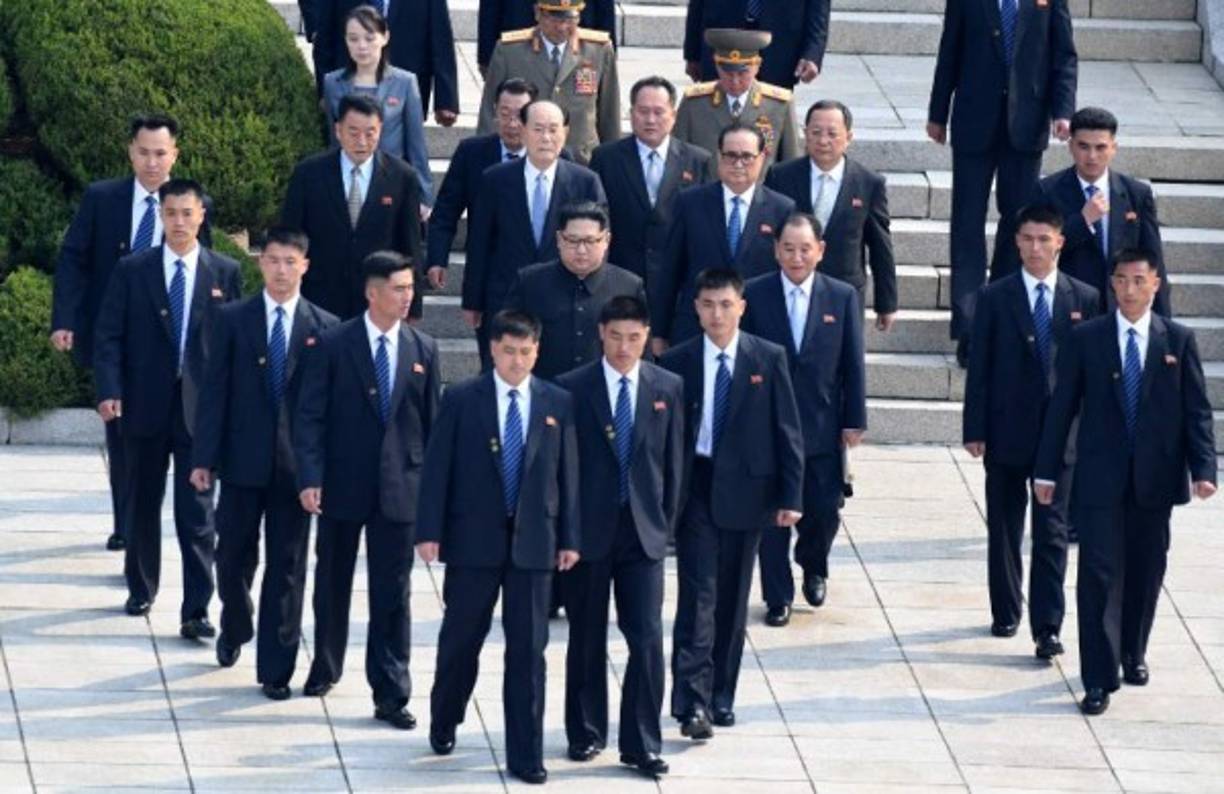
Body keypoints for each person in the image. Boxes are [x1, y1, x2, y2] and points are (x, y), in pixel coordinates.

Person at [1034, 249, 1216, 715]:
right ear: (1111, 284)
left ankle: (1132, 650)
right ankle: (1097, 677)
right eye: (1122, 280)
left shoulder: (1177, 340)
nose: (1130, 290)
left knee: (1145, 570)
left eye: (1139, 280)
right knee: (1096, 577)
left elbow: (1196, 411)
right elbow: (1062, 410)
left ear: (1156, 283)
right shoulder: (1087, 339)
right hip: (1099, 480)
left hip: (1155, 482)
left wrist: (1204, 470)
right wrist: (1047, 470)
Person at [417, 310, 580, 786]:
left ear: (537, 351)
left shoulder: (557, 402)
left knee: (529, 652)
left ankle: (525, 751)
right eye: (508, 351)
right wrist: (429, 530)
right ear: (491, 350)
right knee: (460, 640)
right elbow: (437, 469)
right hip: (473, 542)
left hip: (535, 545)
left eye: (525, 352)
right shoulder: (463, 399)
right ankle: (444, 718)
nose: (516, 361)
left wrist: (570, 537)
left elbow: (568, 476)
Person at [189, 227, 340, 700]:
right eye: (272, 260)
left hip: (296, 470)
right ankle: (236, 621)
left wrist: (320, 472)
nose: (280, 270)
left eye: (289, 262)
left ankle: (276, 668)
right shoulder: (233, 319)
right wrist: (204, 458)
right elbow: (214, 393)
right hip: (240, 461)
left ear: (305, 267)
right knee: (232, 556)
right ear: (260, 263)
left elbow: (329, 410)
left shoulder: (325, 327)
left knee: (288, 567)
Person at [51, 114, 212, 552]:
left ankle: (166, 519)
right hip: (116, 339)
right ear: (130, 152)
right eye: (144, 152)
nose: (152, 162)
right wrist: (65, 318)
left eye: (161, 153)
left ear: (175, 154)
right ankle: (127, 521)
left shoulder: (193, 204)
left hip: (171, 344)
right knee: (120, 435)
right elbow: (73, 260)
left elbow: (207, 274)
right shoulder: (102, 199)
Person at [293, 252, 440, 726]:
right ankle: (326, 664)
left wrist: (434, 498)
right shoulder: (333, 344)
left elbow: (432, 427)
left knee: (393, 593)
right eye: (397, 289)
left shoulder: (423, 349)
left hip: (401, 488)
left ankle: (392, 690)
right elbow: (310, 416)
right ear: (372, 293)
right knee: (332, 580)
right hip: (342, 482)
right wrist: (310, 477)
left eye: (410, 289)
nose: (406, 297)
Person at [92, 179, 242, 635]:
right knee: (142, 502)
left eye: (187, 213)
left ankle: (196, 609)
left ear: (201, 216)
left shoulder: (225, 272)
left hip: (201, 413)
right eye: (170, 213)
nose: (179, 222)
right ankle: (141, 587)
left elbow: (234, 344)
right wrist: (109, 389)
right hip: (144, 404)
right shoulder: (133, 270)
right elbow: (109, 335)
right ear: (160, 216)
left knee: (198, 512)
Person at [659, 268, 804, 739]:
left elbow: (788, 432)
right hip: (696, 488)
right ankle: (690, 703)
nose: (716, 314)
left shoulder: (767, 358)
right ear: (695, 307)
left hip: (748, 492)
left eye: (726, 304)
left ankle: (722, 694)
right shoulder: (678, 362)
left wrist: (790, 495)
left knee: (733, 600)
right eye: (707, 304)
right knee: (697, 597)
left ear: (741, 306)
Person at [962, 205, 1099, 656]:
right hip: (1006, 429)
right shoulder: (995, 297)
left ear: (1061, 241)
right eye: (1028, 239)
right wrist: (974, 427)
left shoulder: (1084, 298)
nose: (1036, 247)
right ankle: (1006, 610)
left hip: (1060, 439)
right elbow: (979, 367)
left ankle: (1048, 625)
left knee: (1052, 530)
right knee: (1004, 525)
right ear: (1016, 242)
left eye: (1045, 239)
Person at [555, 296, 683, 777]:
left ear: (647, 337)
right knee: (586, 636)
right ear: (600, 335)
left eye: (634, 338)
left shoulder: (666, 386)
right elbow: (562, 470)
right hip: (588, 534)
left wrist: (665, 525)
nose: (624, 347)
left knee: (647, 639)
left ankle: (643, 742)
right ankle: (586, 732)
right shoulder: (571, 389)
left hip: (644, 536)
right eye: (615, 337)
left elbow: (674, 466)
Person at [927, 0, 1077, 366]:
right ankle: (969, 325)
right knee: (967, 223)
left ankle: (1001, 317)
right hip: (974, 122)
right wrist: (937, 112)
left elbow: (1064, 55)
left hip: (1026, 125)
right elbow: (951, 49)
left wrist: (1063, 111)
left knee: (1020, 223)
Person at [741, 214, 865, 625]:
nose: (796, 257)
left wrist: (854, 419)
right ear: (776, 249)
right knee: (771, 514)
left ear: (820, 251)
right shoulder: (755, 294)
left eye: (805, 249)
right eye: (788, 248)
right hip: (768, 424)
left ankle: (814, 565)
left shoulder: (841, 295)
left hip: (821, 422)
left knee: (824, 507)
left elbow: (852, 361)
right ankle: (777, 595)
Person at [463, 100, 607, 370]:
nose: (546, 138)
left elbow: (600, 242)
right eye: (538, 129)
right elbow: (479, 241)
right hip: (505, 295)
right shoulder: (495, 179)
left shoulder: (585, 181)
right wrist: (473, 299)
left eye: (554, 129)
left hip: (562, 296)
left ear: (565, 132)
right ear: (524, 130)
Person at [650, 123, 794, 349]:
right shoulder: (690, 203)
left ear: (762, 158)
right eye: (730, 156)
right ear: (718, 157)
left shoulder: (782, 209)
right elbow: (670, 269)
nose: (738, 164)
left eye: (747, 156)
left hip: (757, 328)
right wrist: (659, 332)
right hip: (696, 327)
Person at [281, 94, 424, 321]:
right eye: (353, 132)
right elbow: (289, 235)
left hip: (377, 296)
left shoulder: (402, 177)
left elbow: (410, 243)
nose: (362, 141)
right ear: (338, 130)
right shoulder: (309, 173)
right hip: (320, 295)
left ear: (381, 130)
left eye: (370, 133)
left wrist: (414, 306)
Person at [764, 100, 897, 330]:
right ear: (805, 134)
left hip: (844, 290)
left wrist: (886, 303)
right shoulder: (780, 176)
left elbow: (880, 244)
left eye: (832, 133)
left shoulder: (868, 183)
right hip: (789, 286)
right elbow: (767, 235)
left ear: (849, 137)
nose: (823, 141)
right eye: (815, 132)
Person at [1031, 107, 1170, 316]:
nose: (1092, 156)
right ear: (1071, 146)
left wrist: (1163, 324)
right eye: (1084, 147)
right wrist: (1083, 221)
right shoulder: (1048, 191)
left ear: (1114, 148)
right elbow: (1040, 253)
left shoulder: (1136, 193)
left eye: (1101, 147)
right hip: (1071, 308)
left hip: (1123, 306)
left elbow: (1153, 258)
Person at [589, 76, 713, 283]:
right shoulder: (606, 158)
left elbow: (704, 222)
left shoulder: (697, 160)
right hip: (621, 273)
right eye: (643, 111)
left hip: (676, 276)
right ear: (631, 114)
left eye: (659, 112)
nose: (651, 120)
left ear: (673, 115)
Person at [503, 202, 646, 379]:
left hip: (602, 397)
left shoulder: (629, 286)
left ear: (606, 240)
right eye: (573, 240)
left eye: (590, 241)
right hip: (544, 394)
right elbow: (505, 342)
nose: (581, 250)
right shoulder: (529, 282)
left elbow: (642, 355)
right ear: (559, 240)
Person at [426, 78, 539, 291]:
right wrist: (437, 259)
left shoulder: (555, 157)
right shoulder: (472, 153)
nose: (513, 123)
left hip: (539, 272)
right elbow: (445, 212)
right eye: (505, 114)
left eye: (520, 115)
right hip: (489, 271)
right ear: (495, 112)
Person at [476, 0, 620, 164]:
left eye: (569, 20)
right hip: (524, 160)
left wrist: (612, 161)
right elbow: (489, 111)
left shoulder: (598, 50)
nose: (561, 27)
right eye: (554, 19)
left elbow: (609, 113)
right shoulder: (509, 51)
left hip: (581, 160)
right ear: (537, 13)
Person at [322, 4, 434, 210]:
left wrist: (423, 195)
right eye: (353, 39)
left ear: (385, 37)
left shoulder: (405, 82)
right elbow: (332, 138)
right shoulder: (332, 83)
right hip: (349, 182)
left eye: (369, 38)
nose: (362, 46)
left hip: (391, 181)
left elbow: (416, 144)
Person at [310, 0, 459, 126]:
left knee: (404, 154)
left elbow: (441, 38)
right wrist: (324, 90)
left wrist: (446, 100)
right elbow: (324, 37)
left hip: (407, 86)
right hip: (350, 84)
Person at [675, 29, 801, 168]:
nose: (735, 81)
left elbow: (790, 162)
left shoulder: (779, 104)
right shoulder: (695, 103)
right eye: (727, 73)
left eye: (743, 73)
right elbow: (678, 156)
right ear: (717, 66)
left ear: (757, 66)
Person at [684, 0, 830, 90]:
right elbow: (697, 4)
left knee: (770, 122)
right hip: (722, 37)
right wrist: (692, 53)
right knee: (717, 119)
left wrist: (812, 53)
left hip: (780, 44)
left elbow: (818, 8)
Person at [478, 0, 614, 75]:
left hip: (576, 40)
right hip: (518, 45)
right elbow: (490, 8)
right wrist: (487, 57)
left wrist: (606, 55)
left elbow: (604, 9)